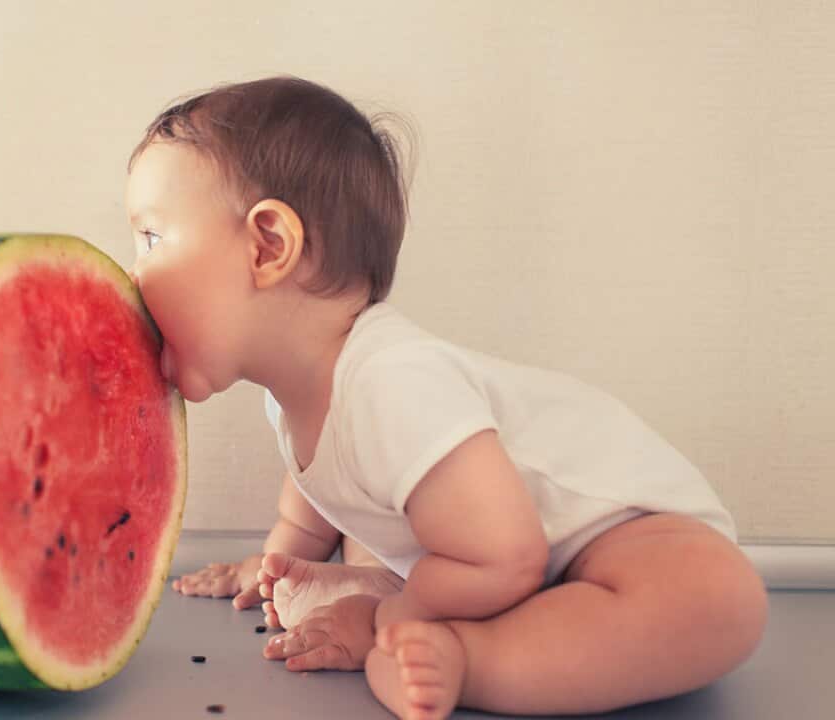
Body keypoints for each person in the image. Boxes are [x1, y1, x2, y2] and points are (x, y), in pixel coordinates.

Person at [125, 75, 767, 720]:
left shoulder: (394, 380)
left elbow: (508, 555)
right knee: (397, 545)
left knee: (721, 600)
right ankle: (393, 606)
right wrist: (273, 562)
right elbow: (318, 489)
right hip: (486, 564)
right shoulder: (292, 395)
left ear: (268, 247)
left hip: (628, 539)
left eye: (151, 237)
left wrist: (397, 614)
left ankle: (463, 656)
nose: (132, 273)